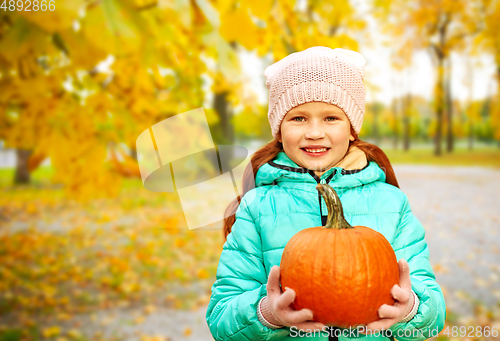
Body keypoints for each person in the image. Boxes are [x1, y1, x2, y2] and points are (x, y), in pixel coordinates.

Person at [205, 46, 446, 341]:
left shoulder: (391, 204)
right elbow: (221, 318)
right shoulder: (257, 207)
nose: (315, 132)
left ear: (352, 129)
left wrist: (410, 310)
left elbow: (432, 312)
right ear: (279, 131)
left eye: (331, 118)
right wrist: (267, 312)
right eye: (299, 118)